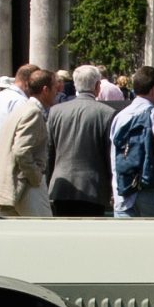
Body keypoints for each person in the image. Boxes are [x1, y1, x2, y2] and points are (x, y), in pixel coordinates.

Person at [46, 62, 117, 216]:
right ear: (98, 86)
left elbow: (49, 152)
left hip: (60, 186)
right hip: (93, 188)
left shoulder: (55, 111)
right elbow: (110, 155)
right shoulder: (107, 113)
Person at [0, 67, 54, 218]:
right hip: (25, 185)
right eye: (55, 88)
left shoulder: (22, 107)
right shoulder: (32, 112)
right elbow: (21, 150)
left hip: (9, 184)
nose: (57, 92)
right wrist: (36, 177)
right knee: (44, 234)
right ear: (45, 90)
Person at [109, 65, 154, 217]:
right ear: (153, 90)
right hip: (150, 191)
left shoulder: (120, 117)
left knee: (126, 241)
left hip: (123, 192)